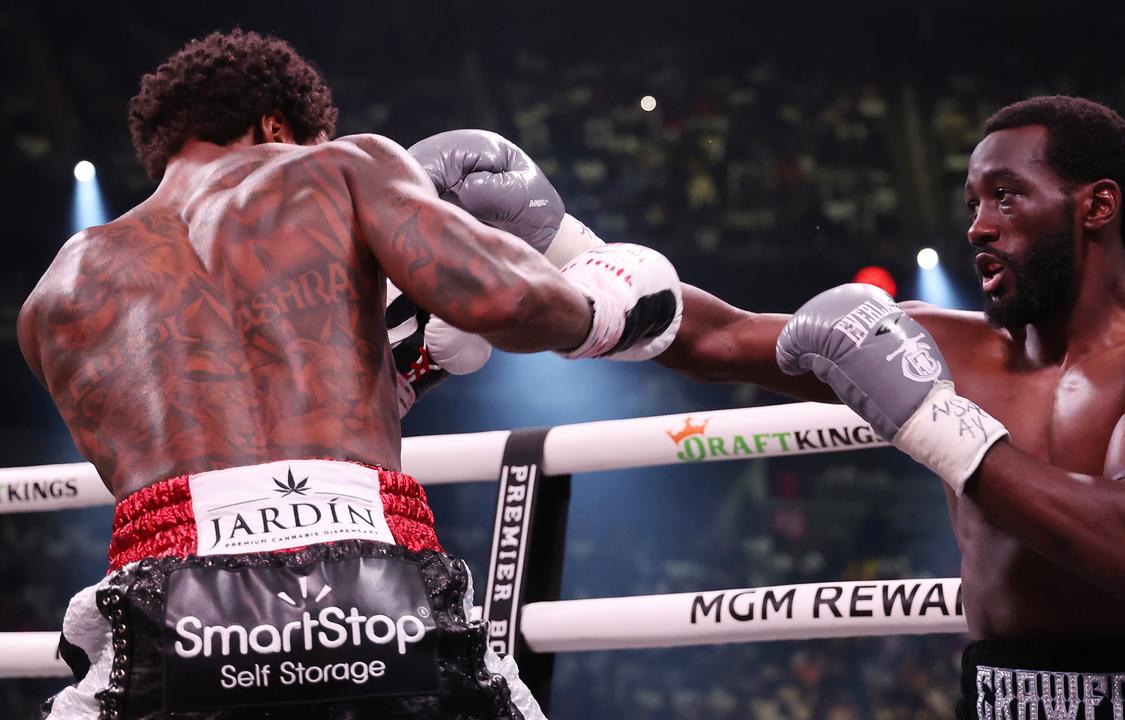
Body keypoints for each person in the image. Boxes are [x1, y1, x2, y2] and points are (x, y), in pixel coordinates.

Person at [430, 97, 1125, 719]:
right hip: (1004, 692)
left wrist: (933, 424)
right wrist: (561, 241)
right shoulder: (951, 344)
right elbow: (718, 338)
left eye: (1008, 197)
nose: (978, 226)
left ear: (1096, 206)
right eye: (974, 200)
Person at [17, 30, 681, 720]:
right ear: (275, 125)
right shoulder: (341, 167)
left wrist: (398, 382)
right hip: (373, 579)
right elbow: (502, 298)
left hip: (170, 601)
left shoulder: (55, 294)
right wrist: (601, 308)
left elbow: (194, 451)